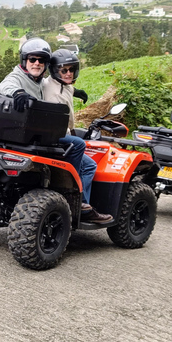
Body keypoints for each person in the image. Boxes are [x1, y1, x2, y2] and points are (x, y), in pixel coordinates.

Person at [43, 49, 113, 225]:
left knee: (89, 165)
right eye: (64, 70)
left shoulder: (60, 84)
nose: (68, 73)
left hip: (60, 132)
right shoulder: (53, 94)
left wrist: (76, 91)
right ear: (54, 70)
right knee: (79, 144)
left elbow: (64, 86)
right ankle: (72, 191)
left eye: (71, 69)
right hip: (55, 136)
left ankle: (84, 205)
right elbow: (56, 125)